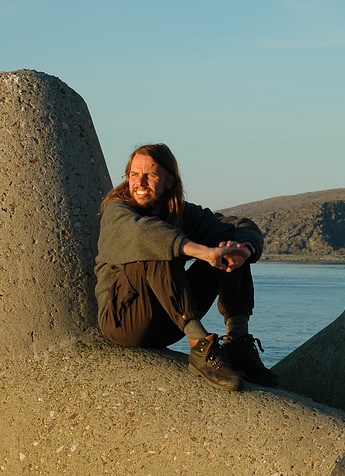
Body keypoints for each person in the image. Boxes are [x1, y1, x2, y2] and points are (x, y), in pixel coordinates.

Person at [94, 143, 279, 391]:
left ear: (169, 182)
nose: (140, 182)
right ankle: (200, 345)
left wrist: (244, 249)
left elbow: (239, 224)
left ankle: (237, 342)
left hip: (170, 325)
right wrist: (204, 252)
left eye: (150, 175)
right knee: (155, 247)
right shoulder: (118, 211)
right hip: (123, 323)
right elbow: (144, 234)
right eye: (134, 175)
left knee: (231, 245)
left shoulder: (180, 212)